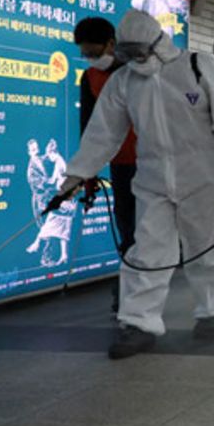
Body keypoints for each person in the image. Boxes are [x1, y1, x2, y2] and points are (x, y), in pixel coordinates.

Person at [54, 9, 214, 359]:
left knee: (206, 246)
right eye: (127, 54)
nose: (133, 60)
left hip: (201, 174)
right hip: (153, 177)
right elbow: (103, 133)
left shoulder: (197, 66)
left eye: (139, 52)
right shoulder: (124, 81)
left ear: (158, 44)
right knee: (146, 250)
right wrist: (76, 175)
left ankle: (211, 309)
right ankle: (139, 324)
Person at [74, 17, 138, 284]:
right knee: (126, 225)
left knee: (149, 228)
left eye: (94, 52)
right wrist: (86, 172)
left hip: (153, 160)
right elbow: (89, 127)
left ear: (111, 44)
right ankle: (129, 284)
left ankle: (141, 286)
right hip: (121, 162)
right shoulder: (90, 77)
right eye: (85, 53)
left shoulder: (137, 71)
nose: (90, 58)